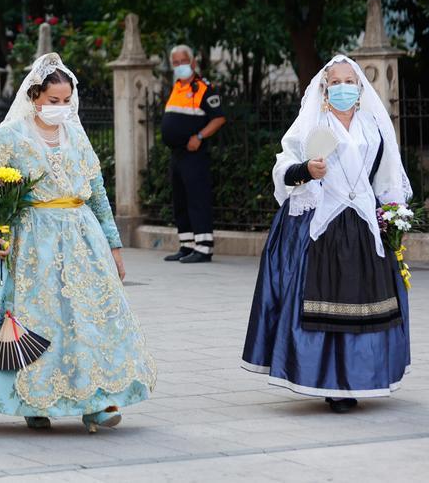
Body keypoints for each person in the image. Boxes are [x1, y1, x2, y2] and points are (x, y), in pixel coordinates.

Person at [0, 53, 156, 433]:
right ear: (35, 95)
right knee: (37, 320)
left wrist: (114, 245)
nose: (60, 108)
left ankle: (97, 402)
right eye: (53, 100)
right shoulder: (10, 137)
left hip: (80, 237)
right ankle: (34, 400)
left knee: (88, 319)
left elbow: (97, 192)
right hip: (32, 241)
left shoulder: (75, 134)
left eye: (65, 101)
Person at [242, 55, 412, 412]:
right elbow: (283, 167)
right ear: (324, 89)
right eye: (335, 82)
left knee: (367, 299)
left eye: (349, 81)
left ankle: (364, 375)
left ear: (360, 87)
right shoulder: (311, 125)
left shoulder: (373, 127)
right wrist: (307, 168)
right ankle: (333, 382)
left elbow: (387, 176)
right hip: (323, 219)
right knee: (325, 297)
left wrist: (393, 216)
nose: (343, 88)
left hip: (363, 221)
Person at [160, 45, 226, 263]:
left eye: (183, 62)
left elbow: (218, 118)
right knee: (180, 200)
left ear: (193, 63)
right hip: (177, 154)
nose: (180, 66)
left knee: (197, 199)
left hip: (194, 155)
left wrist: (199, 136)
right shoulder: (176, 87)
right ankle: (187, 245)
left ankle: (204, 247)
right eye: (176, 63)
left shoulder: (204, 88)